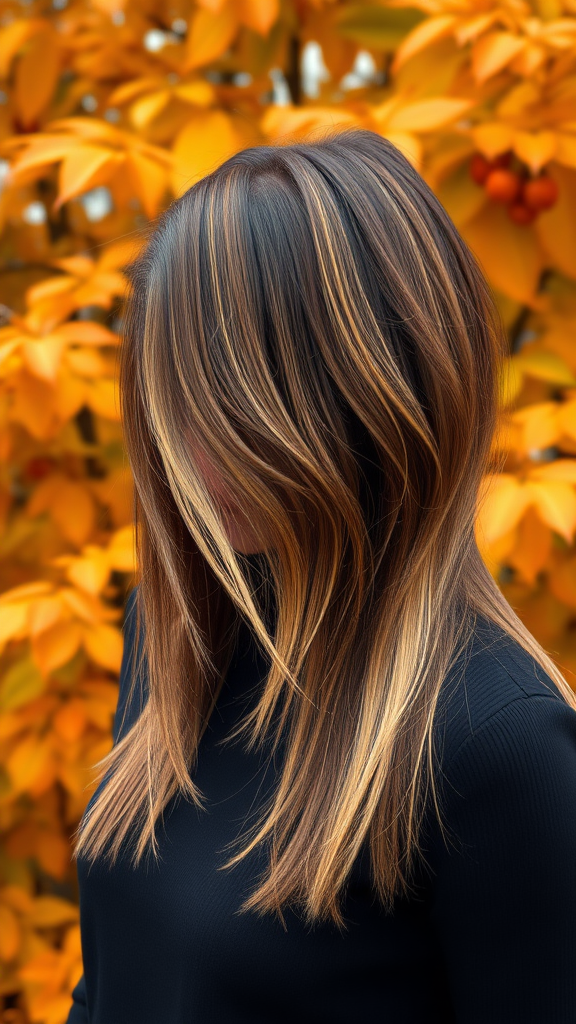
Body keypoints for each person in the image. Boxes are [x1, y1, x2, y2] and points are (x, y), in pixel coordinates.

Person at [66, 128, 576, 1024]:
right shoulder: (178, 628)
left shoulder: (498, 748)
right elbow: (113, 985)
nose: (187, 462)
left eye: (230, 413)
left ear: (373, 401)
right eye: (168, 406)